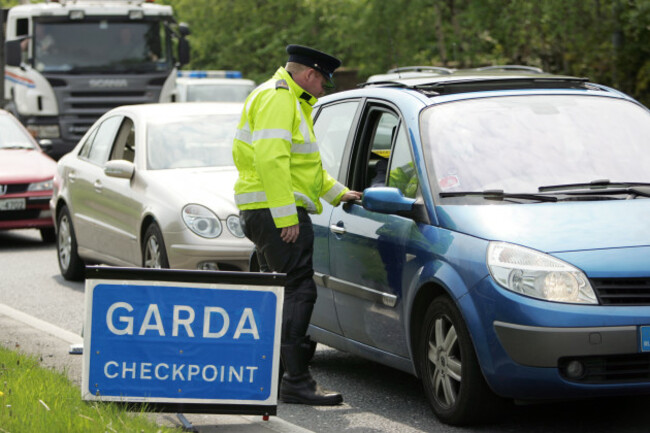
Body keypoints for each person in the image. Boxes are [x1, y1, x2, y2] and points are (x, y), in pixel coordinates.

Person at [233, 44, 362, 406]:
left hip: (264, 208)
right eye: (323, 82)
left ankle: (273, 375)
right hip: (274, 211)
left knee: (282, 293)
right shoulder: (280, 99)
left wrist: (339, 193)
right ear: (309, 75)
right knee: (298, 292)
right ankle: (296, 380)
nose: (323, 90)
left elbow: (302, 167)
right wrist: (286, 216)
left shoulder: (285, 98)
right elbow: (271, 159)